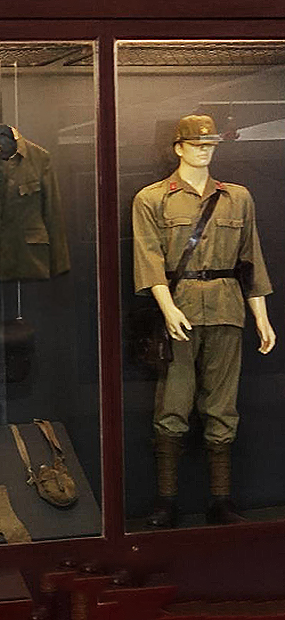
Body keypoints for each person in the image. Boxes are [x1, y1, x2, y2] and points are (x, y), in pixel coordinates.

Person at [132, 114, 276, 528]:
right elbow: (149, 259)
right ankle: (166, 502)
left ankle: (220, 502)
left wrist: (262, 317)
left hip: (228, 309)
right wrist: (168, 308)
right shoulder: (152, 199)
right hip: (179, 311)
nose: (203, 151)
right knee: (172, 406)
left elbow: (250, 260)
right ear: (178, 148)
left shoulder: (237, 198)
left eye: (209, 144)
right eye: (196, 144)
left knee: (222, 407)